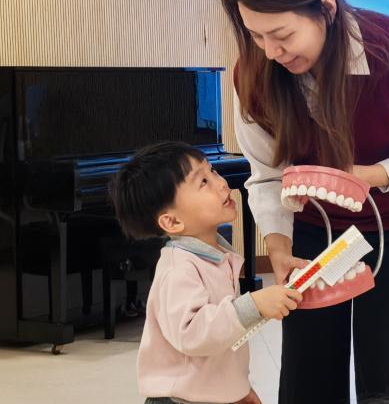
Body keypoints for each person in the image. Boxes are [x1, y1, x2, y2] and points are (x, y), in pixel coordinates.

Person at [221, 0, 389, 404]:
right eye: (256, 36)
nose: (271, 51)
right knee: (307, 371)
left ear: (326, 8)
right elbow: (267, 175)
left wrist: (366, 176)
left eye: (283, 35)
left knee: (388, 371)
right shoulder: (252, 74)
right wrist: (279, 248)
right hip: (314, 231)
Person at [110, 141, 302, 404]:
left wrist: (237, 390)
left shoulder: (215, 256)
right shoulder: (179, 269)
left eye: (212, 171)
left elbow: (222, 341)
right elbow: (193, 334)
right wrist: (253, 305)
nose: (221, 183)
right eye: (203, 182)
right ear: (172, 221)